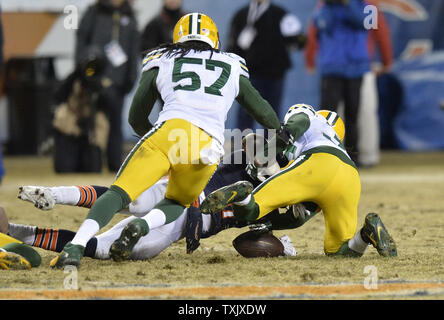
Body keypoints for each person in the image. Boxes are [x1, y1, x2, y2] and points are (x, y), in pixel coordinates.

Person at [50, 13, 283, 268]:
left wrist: (156, 143)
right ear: (214, 39)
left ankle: (75, 247)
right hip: (208, 146)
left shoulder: (161, 57)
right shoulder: (232, 63)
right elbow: (263, 112)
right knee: (177, 202)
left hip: (169, 132)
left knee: (119, 194)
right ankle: (143, 224)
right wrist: (282, 134)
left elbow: (136, 115)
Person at [16, 141, 299, 260]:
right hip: (187, 221)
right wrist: (283, 247)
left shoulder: (247, 162)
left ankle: (52, 195)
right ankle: (25, 235)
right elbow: (244, 242)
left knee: (123, 197)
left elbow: (249, 143)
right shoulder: (266, 190)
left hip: (175, 189)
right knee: (104, 248)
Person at [201, 104, 398, 258]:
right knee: (339, 251)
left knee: (252, 209)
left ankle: (242, 194)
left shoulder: (310, 117)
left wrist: (265, 154)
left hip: (318, 162)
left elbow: (299, 122)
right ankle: (366, 234)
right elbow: (297, 219)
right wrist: (270, 224)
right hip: (350, 177)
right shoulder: (337, 144)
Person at [75, 0, 141, 172]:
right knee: (90, 122)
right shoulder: (93, 13)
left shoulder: (130, 15)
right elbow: (81, 43)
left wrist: (131, 78)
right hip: (93, 78)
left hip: (118, 82)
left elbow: (134, 51)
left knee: (115, 124)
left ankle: (114, 165)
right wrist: (84, 73)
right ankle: (90, 164)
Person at [304, 0, 371, 164]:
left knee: (352, 115)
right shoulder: (324, 7)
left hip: (355, 69)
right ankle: (326, 155)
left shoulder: (365, 6)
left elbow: (364, 24)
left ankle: (352, 156)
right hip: (332, 69)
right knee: (326, 117)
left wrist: (348, 4)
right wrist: (329, 5)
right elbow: (322, 24)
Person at [226, 0, 306, 131]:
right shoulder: (241, 15)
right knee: (245, 114)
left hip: (274, 75)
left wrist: (298, 41)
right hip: (248, 75)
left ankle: (272, 149)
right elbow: (233, 45)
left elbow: (298, 40)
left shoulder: (281, 14)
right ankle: (242, 150)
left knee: (272, 115)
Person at [52, 48, 110, 173]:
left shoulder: (103, 82)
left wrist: (98, 88)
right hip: (72, 118)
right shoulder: (74, 77)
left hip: (93, 121)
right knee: (64, 168)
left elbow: (108, 105)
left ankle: (94, 158)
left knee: (93, 168)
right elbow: (58, 96)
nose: (90, 70)